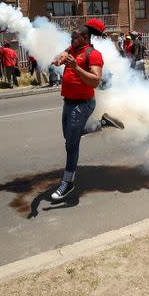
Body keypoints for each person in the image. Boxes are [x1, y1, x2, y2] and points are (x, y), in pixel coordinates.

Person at [50, 18, 124, 201]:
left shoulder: (93, 54)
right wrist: (58, 59)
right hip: (68, 102)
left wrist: (75, 67)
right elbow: (61, 54)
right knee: (69, 136)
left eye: (74, 38)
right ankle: (102, 123)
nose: (71, 40)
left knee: (71, 144)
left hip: (83, 103)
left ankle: (67, 182)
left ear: (84, 37)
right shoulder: (72, 49)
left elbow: (95, 80)